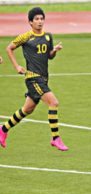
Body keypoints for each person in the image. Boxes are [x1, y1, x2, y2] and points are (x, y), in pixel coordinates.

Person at [0, 7, 68, 151]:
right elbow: (9, 48)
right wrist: (17, 66)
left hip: (43, 78)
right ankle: (55, 138)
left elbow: (49, 56)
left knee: (27, 109)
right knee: (53, 102)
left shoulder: (48, 36)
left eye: (41, 18)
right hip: (33, 78)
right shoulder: (26, 37)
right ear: (30, 22)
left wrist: (54, 51)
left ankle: (3, 129)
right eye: (36, 19)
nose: (40, 21)